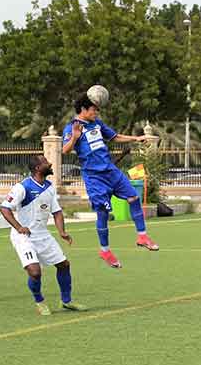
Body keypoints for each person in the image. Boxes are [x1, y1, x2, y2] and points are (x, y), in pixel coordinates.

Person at [62, 85, 159, 269]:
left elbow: (114, 137)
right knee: (103, 212)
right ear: (83, 109)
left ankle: (142, 236)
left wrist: (135, 139)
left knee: (133, 197)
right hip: (94, 176)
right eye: (94, 110)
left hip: (111, 170)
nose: (96, 113)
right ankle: (105, 250)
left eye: (98, 109)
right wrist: (75, 137)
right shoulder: (72, 127)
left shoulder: (97, 124)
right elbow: (65, 150)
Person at [0, 155, 87, 316]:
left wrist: (62, 232)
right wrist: (19, 227)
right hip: (23, 236)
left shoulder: (49, 186)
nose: (50, 163)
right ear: (38, 168)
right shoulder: (22, 187)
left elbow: (57, 211)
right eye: (46, 162)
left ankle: (66, 301)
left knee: (64, 265)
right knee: (35, 272)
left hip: (43, 235)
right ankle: (39, 302)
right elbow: (5, 208)